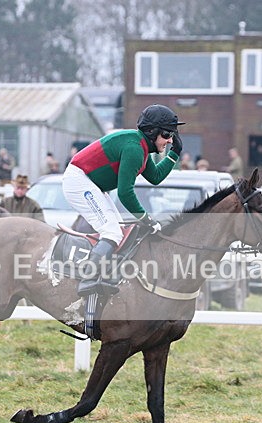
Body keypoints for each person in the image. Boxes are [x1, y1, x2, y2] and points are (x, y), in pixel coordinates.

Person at [62, 103, 184, 297]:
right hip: (79, 181)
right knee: (111, 232)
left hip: (89, 182)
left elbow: (155, 178)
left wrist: (174, 154)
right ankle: (88, 279)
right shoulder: (134, 148)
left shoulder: (141, 147)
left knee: (116, 232)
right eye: (168, 135)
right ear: (152, 132)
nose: (170, 141)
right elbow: (125, 193)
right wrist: (146, 219)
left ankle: (102, 274)